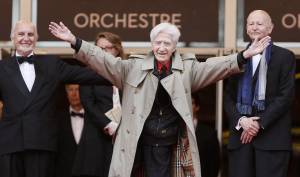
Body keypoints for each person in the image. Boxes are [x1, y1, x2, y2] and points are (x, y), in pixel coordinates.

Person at [49, 21, 270, 177]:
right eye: (158, 43)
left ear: (174, 47)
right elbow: (104, 60)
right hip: (137, 143)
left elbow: (214, 66)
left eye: (167, 43)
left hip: (168, 144)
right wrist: (75, 41)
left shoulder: (186, 70)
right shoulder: (133, 67)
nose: (162, 48)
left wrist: (243, 55)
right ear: (152, 45)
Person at [0, 20, 110, 177]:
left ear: (36, 38)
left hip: (41, 143)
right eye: (21, 34)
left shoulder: (52, 64)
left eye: (30, 34)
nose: (26, 38)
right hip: (10, 144)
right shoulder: (2, 67)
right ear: (12, 37)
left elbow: (92, 75)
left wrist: (122, 72)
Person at [224, 10, 296, 177]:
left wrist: (258, 123)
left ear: (270, 28)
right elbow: (228, 97)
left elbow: (286, 96)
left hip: (272, 140)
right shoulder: (238, 59)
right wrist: (241, 120)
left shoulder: (285, 57)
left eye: (259, 23)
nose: (254, 27)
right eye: (251, 23)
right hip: (240, 141)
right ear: (247, 29)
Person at [78, 32, 125, 177]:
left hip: (123, 138)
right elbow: (88, 104)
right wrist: (109, 125)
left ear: (117, 49)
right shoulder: (88, 73)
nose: (102, 52)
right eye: (99, 49)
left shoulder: (127, 72)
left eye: (107, 48)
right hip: (97, 137)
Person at [192, 93, 220, 177]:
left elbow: (214, 166)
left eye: (192, 102)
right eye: (186, 102)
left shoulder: (209, 134)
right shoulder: (175, 131)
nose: (188, 105)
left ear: (197, 107)